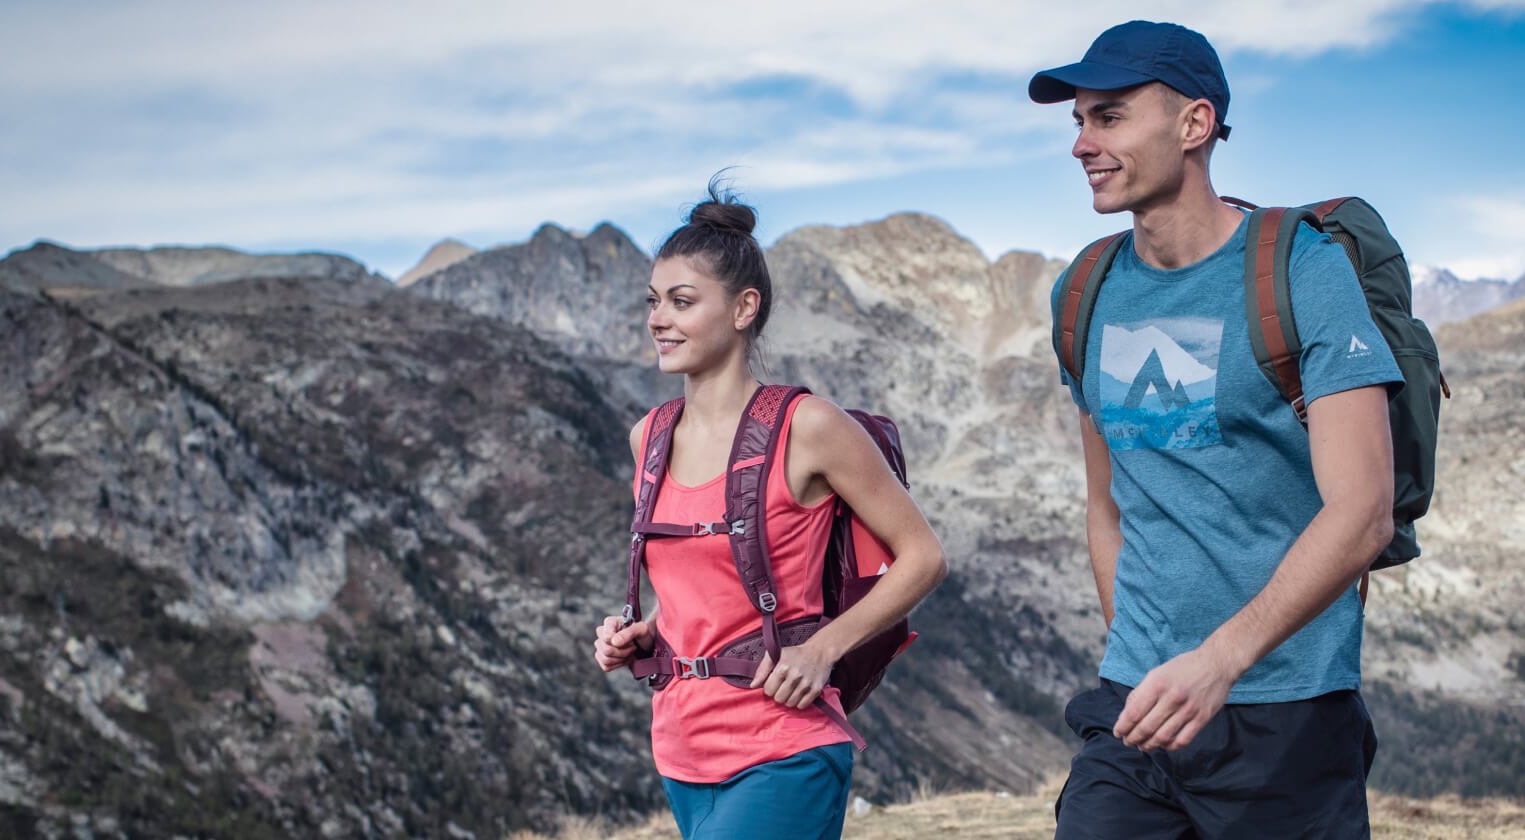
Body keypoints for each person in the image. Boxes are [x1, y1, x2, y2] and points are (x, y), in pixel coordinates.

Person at [1030, 21, 1403, 839]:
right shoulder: (1084, 291)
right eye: (1080, 121)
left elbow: (1364, 510)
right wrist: (1144, 657)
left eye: (1111, 117)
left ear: (1194, 125)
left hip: (1289, 715)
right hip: (1141, 710)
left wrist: (1220, 660)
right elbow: (1108, 504)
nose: (1083, 143)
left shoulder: (1302, 270)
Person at [591, 179, 946, 840]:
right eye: (653, 301)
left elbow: (923, 556)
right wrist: (644, 632)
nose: (657, 319)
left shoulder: (808, 426)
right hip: (679, 750)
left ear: (743, 307)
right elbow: (708, 586)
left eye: (682, 301)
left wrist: (824, 648)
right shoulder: (649, 437)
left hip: (785, 746)